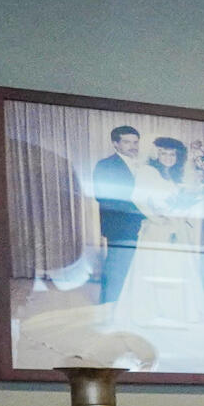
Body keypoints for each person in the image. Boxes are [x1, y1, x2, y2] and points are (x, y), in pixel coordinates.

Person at [90, 123, 145, 307]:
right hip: (120, 225)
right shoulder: (105, 165)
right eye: (127, 142)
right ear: (115, 144)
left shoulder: (144, 166)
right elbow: (103, 196)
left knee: (136, 267)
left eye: (136, 142)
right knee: (117, 268)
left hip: (143, 225)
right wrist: (139, 209)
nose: (133, 146)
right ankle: (108, 307)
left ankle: (129, 307)